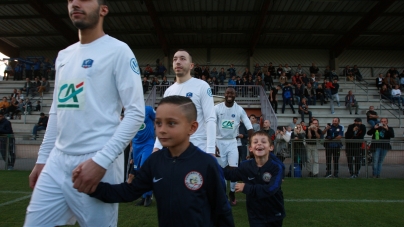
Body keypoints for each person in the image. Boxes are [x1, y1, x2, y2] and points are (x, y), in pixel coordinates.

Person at [24, 1, 145, 226]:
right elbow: (58, 110)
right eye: (71, 0)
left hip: (97, 161)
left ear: (103, 9)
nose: (76, 3)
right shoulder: (64, 55)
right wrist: (43, 159)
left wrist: (101, 161)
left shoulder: (118, 50)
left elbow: (136, 114)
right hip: (57, 162)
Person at [86, 96, 234, 226]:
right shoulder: (155, 162)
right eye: (158, 123)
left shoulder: (207, 164)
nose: (162, 130)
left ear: (192, 127)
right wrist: (94, 187)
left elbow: (222, 210)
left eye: (171, 123)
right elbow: (129, 191)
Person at [154, 49, 216, 155]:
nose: (178, 62)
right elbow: (163, 122)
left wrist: (211, 150)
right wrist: (157, 146)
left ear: (191, 65)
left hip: (197, 146)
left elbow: (210, 118)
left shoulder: (202, 86)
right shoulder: (169, 91)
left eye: (182, 59)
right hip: (173, 149)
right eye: (175, 59)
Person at [223, 131, 285, 227]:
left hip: (275, 214)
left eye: (263, 142)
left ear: (271, 147)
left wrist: (247, 188)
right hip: (255, 215)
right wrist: (211, 164)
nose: (259, 143)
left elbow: (271, 189)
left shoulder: (277, 167)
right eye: (255, 142)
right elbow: (230, 175)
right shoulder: (246, 166)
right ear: (250, 148)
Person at [215, 87, 253, 206]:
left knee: (234, 170)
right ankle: (222, 194)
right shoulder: (217, 108)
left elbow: (248, 125)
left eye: (232, 93)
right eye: (227, 93)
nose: (229, 94)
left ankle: (232, 192)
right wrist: (212, 144)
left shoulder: (239, 109)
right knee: (221, 171)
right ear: (224, 95)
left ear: (235, 95)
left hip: (232, 142)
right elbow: (209, 125)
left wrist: (252, 141)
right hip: (218, 142)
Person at [127, 106, 155, 207]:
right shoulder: (129, 111)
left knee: (144, 167)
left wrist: (154, 132)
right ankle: (143, 196)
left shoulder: (148, 109)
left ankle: (149, 195)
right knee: (138, 170)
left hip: (148, 143)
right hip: (136, 144)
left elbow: (157, 119)